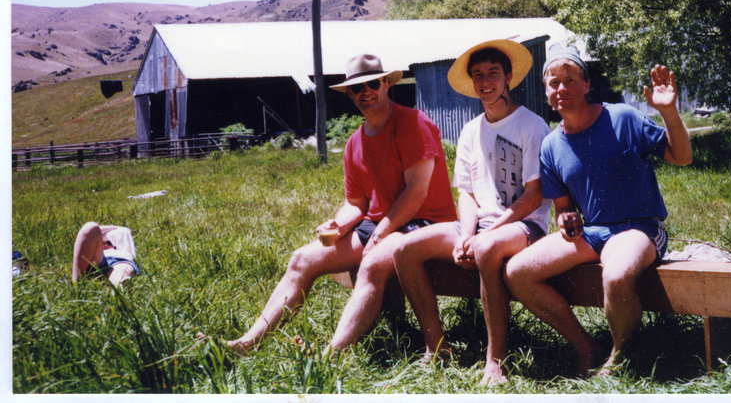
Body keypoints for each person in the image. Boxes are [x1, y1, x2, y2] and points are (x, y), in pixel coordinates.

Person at [204, 53, 457, 355]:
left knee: (372, 263)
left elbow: (416, 193)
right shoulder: (355, 142)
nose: (366, 92)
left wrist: (380, 234)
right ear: (349, 94)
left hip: (425, 223)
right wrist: (339, 224)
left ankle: (331, 357)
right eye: (357, 88)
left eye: (373, 84)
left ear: (386, 84)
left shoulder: (413, 123)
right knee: (302, 259)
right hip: (381, 224)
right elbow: (356, 203)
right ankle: (248, 343)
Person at [503, 44, 693, 377]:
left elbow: (682, 157)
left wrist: (669, 112)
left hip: (639, 228)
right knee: (518, 272)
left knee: (616, 276)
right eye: (553, 83)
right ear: (546, 92)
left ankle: (620, 357)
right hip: (593, 233)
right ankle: (585, 346)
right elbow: (563, 208)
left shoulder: (622, 117)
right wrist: (566, 219)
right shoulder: (551, 145)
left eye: (570, 80)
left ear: (587, 85)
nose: (561, 89)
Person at [392, 40, 552, 385]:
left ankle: (495, 362)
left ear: (509, 77)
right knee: (404, 248)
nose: (485, 82)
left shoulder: (532, 124)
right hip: (479, 227)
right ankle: (437, 347)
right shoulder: (470, 130)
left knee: (485, 248)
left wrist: (485, 235)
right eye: (478, 75)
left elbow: (534, 195)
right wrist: (466, 235)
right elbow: (465, 192)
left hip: (525, 225)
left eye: (493, 73)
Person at [72, 222, 141, 287]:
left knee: (121, 269)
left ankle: (119, 286)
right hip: (97, 259)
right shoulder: (97, 240)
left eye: (108, 243)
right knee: (91, 226)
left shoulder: (122, 240)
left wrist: (116, 228)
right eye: (102, 243)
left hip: (119, 261)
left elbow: (126, 230)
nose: (104, 245)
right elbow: (85, 232)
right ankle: (76, 283)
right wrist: (113, 227)